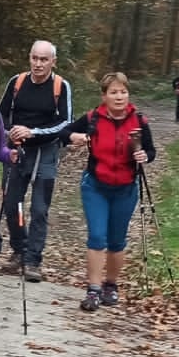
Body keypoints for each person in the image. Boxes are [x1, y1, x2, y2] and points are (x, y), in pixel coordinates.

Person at [65, 71, 156, 312]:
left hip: (126, 188)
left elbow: (151, 151)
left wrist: (144, 156)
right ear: (104, 96)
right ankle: (93, 290)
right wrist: (75, 136)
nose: (119, 97)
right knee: (97, 237)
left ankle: (111, 286)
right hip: (96, 186)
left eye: (123, 92)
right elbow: (65, 133)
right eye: (113, 92)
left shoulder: (139, 121)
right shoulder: (93, 118)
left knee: (117, 240)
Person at [0, 41, 74, 282]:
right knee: (12, 204)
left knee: (39, 209)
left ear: (53, 62)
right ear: (29, 58)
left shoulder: (60, 86)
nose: (38, 64)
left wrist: (33, 132)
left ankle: (33, 260)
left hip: (46, 152)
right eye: (35, 58)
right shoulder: (17, 82)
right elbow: (0, 115)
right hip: (16, 150)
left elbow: (66, 122)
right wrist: (10, 132)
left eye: (44, 59)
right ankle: (19, 249)